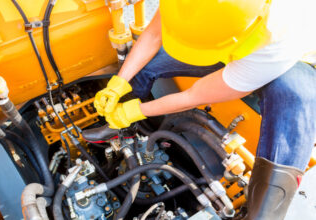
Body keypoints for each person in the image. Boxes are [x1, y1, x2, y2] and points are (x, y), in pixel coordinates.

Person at [88, 1, 316, 219]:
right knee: (146, 64)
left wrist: (136, 110)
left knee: (294, 96)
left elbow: (193, 96)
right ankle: (116, 125)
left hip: (282, 61)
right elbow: (154, 34)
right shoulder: (193, 6)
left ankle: (263, 214)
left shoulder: (278, 34)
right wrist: (119, 83)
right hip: (222, 37)